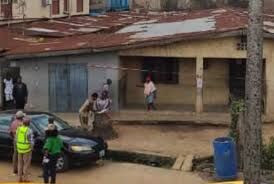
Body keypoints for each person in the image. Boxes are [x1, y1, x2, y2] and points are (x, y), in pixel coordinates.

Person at [16, 117, 34, 183]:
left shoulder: (18, 129)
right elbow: (31, 141)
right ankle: (25, 178)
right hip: (26, 149)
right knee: (26, 164)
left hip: (19, 148)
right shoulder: (29, 130)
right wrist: (32, 148)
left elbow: (16, 138)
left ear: (23, 123)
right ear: (29, 123)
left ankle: (19, 178)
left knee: (20, 164)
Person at [9, 111, 26, 175]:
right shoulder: (22, 124)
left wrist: (13, 138)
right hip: (21, 142)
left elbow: (10, 132)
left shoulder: (13, 123)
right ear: (22, 117)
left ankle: (15, 169)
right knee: (21, 156)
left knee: (15, 155)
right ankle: (21, 171)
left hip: (15, 140)